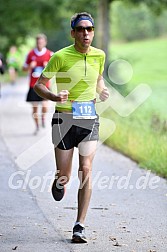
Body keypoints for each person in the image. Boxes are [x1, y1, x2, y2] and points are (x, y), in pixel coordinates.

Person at [34, 12, 109, 243]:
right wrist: (55, 97)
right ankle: (59, 180)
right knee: (65, 176)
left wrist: (101, 90)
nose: (86, 33)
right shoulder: (60, 56)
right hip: (63, 120)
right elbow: (39, 85)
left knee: (86, 169)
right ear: (73, 33)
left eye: (89, 29)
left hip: (89, 120)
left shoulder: (99, 55)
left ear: (93, 32)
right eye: (81, 29)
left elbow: (97, 79)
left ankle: (79, 225)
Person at [23, 34, 53, 135]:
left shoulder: (50, 54)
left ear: (45, 42)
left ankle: (43, 117)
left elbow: (56, 71)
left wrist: (47, 67)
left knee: (45, 106)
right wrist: (30, 67)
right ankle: (37, 126)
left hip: (45, 84)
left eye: (41, 42)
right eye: (38, 42)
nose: (39, 44)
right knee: (35, 108)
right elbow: (23, 69)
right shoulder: (30, 54)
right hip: (33, 85)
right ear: (36, 43)